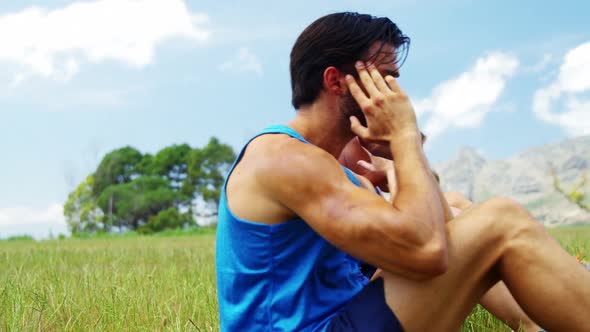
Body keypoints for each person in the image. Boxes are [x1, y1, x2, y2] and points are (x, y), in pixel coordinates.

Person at [216, 12, 590, 331]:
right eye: (385, 78)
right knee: (502, 222)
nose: (397, 95)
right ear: (334, 81)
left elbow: (442, 232)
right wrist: (406, 138)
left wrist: (402, 154)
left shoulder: (340, 173)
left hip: (341, 317)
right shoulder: (283, 157)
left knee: (478, 220)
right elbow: (428, 252)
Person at [339, 138, 543, 331]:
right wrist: (398, 174)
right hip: (358, 286)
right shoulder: (343, 180)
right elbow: (418, 233)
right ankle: (533, 322)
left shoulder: (362, 181)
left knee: (456, 204)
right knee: (462, 229)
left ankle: (538, 291)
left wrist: (402, 168)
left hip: (368, 273)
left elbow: (437, 210)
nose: (376, 149)